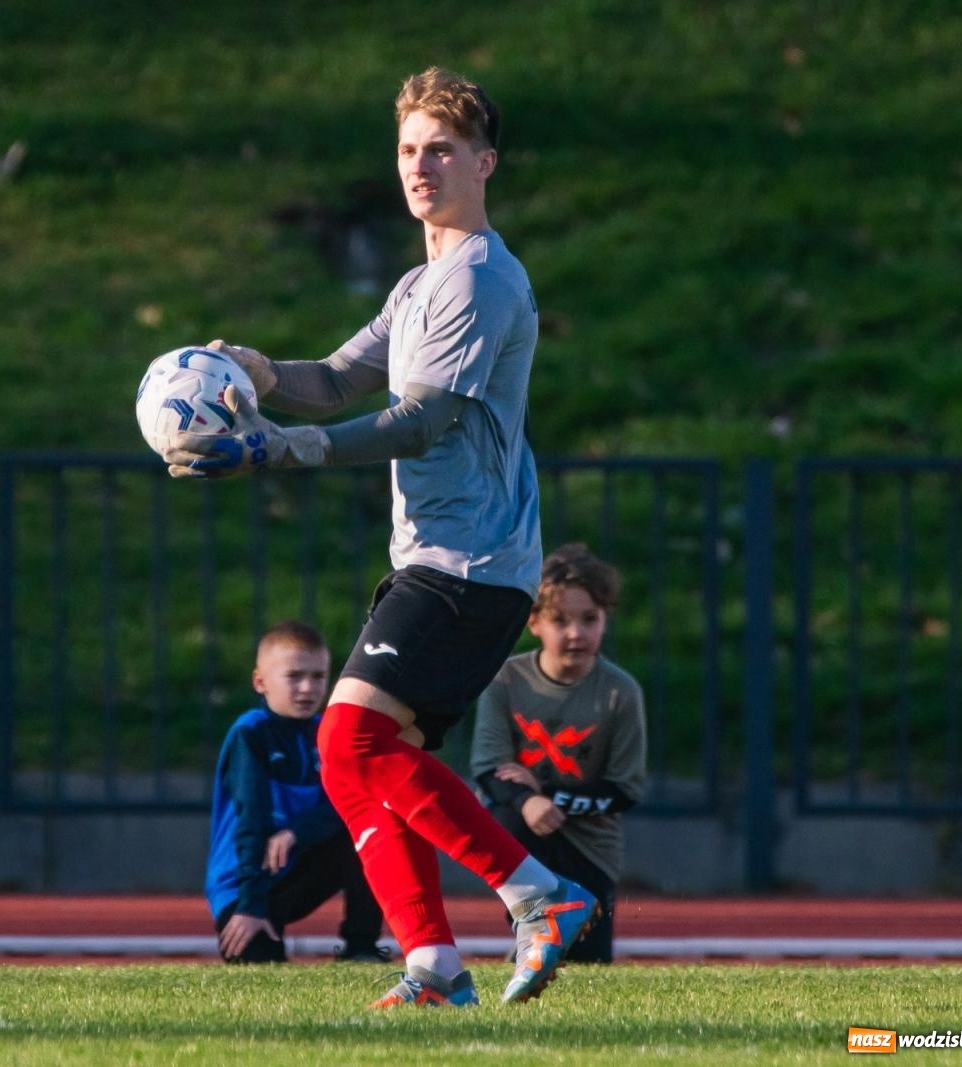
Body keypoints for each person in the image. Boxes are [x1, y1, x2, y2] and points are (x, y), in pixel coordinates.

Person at [166, 67, 597, 1007]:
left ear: (484, 162)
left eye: (440, 148)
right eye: (407, 149)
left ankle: (538, 894)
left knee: (351, 734)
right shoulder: (420, 283)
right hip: (438, 559)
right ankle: (435, 965)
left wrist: (281, 449)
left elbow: (417, 422)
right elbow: (332, 376)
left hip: (473, 563)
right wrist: (254, 370)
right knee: (347, 751)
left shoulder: (482, 278)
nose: (420, 166)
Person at [470, 543, 646, 963]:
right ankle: (529, 929)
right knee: (507, 812)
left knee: (589, 965)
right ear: (533, 622)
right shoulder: (506, 680)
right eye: (560, 620)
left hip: (590, 846)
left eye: (590, 619)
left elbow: (625, 790)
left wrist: (548, 795)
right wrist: (528, 802)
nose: (575, 634)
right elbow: (488, 771)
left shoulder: (621, 692)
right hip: (524, 836)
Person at [205, 621, 389, 964]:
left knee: (370, 829)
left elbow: (347, 804)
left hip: (297, 861)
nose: (307, 688)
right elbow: (252, 820)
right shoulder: (250, 734)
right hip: (246, 879)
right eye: (294, 676)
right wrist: (249, 906)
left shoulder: (327, 732)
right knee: (258, 963)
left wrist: (296, 833)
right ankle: (254, 919)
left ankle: (361, 947)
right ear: (260, 682)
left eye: (318, 676)